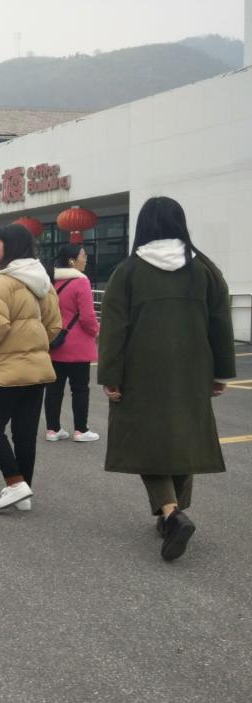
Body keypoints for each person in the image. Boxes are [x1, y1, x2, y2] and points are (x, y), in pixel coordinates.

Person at [98, 196, 235, 562]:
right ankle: (172, 515)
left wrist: (111, 374)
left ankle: (172, 513)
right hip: (193, 370)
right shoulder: (204, 269)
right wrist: (220, 372)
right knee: (183, 437)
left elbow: (114, 329)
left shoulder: (128, 271)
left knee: (145, 441)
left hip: (140, 372)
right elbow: (221, 325)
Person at [0, 224, 61, 512]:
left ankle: (15, 483)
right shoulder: (43, 281)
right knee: (25, 433)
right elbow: (54, 325)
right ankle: (24, 492)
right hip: (38, 368)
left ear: (9, 247)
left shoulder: (3, 282)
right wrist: (34, 344)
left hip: (7, 370)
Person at [44, 244, 100, 443]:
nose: (86, 259)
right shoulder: (81, 282)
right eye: (83, 256)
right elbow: (87, 317)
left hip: (56, 342)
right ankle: (80, 430)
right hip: (77, 346)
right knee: (80, 389)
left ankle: (52, 429)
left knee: (54, 389)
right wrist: (96, 331)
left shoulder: (51, 281)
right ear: (72, 261)